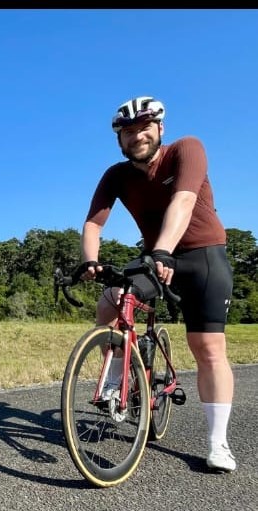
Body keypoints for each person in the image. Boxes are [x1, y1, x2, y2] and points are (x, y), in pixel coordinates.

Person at [80, 95, 237, 472]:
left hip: (201, 254)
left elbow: (183, 201)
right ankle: (116, 378)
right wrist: (90, 261)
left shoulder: (187, 149)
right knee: (111, 301)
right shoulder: (116, 175)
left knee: (207, 347)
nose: (137, 136)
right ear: (120, 139)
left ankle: (218, 443)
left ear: (160, 128)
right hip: (155, 256)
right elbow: (93, 224)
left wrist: (164, 250)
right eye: (128, 132)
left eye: (144, 128)